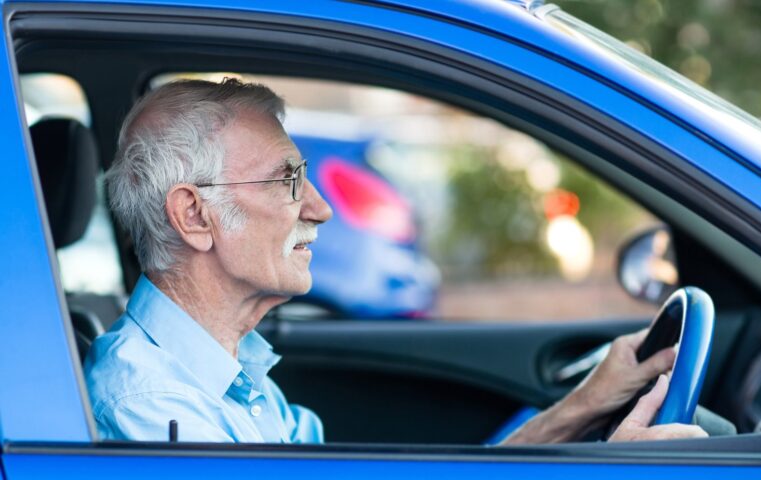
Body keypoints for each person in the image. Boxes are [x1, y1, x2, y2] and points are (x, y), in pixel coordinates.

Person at [84, 79, 707, 444]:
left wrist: (581, 408)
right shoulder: (155, 408)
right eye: (287, 181)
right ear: (194, 216)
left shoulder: (224, 374)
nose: (322, 209)